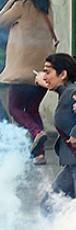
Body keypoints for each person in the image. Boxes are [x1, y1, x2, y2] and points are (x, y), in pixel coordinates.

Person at [0, 0, 58, 164]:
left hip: (22, 73)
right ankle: (39, 154)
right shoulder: (45, 8)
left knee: (15, 108)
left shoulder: (22, 6)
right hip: (43, 71)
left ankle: (37, 132)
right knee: (33, 109)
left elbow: (0, 21)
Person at [35, 53, 76, 212]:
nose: (44, 76)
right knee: (48, 207)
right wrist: (44, 82)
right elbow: (60, 89)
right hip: (71, 164)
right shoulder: (67, 92)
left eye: (48, 72)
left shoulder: (72, 92)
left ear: (63, 74)